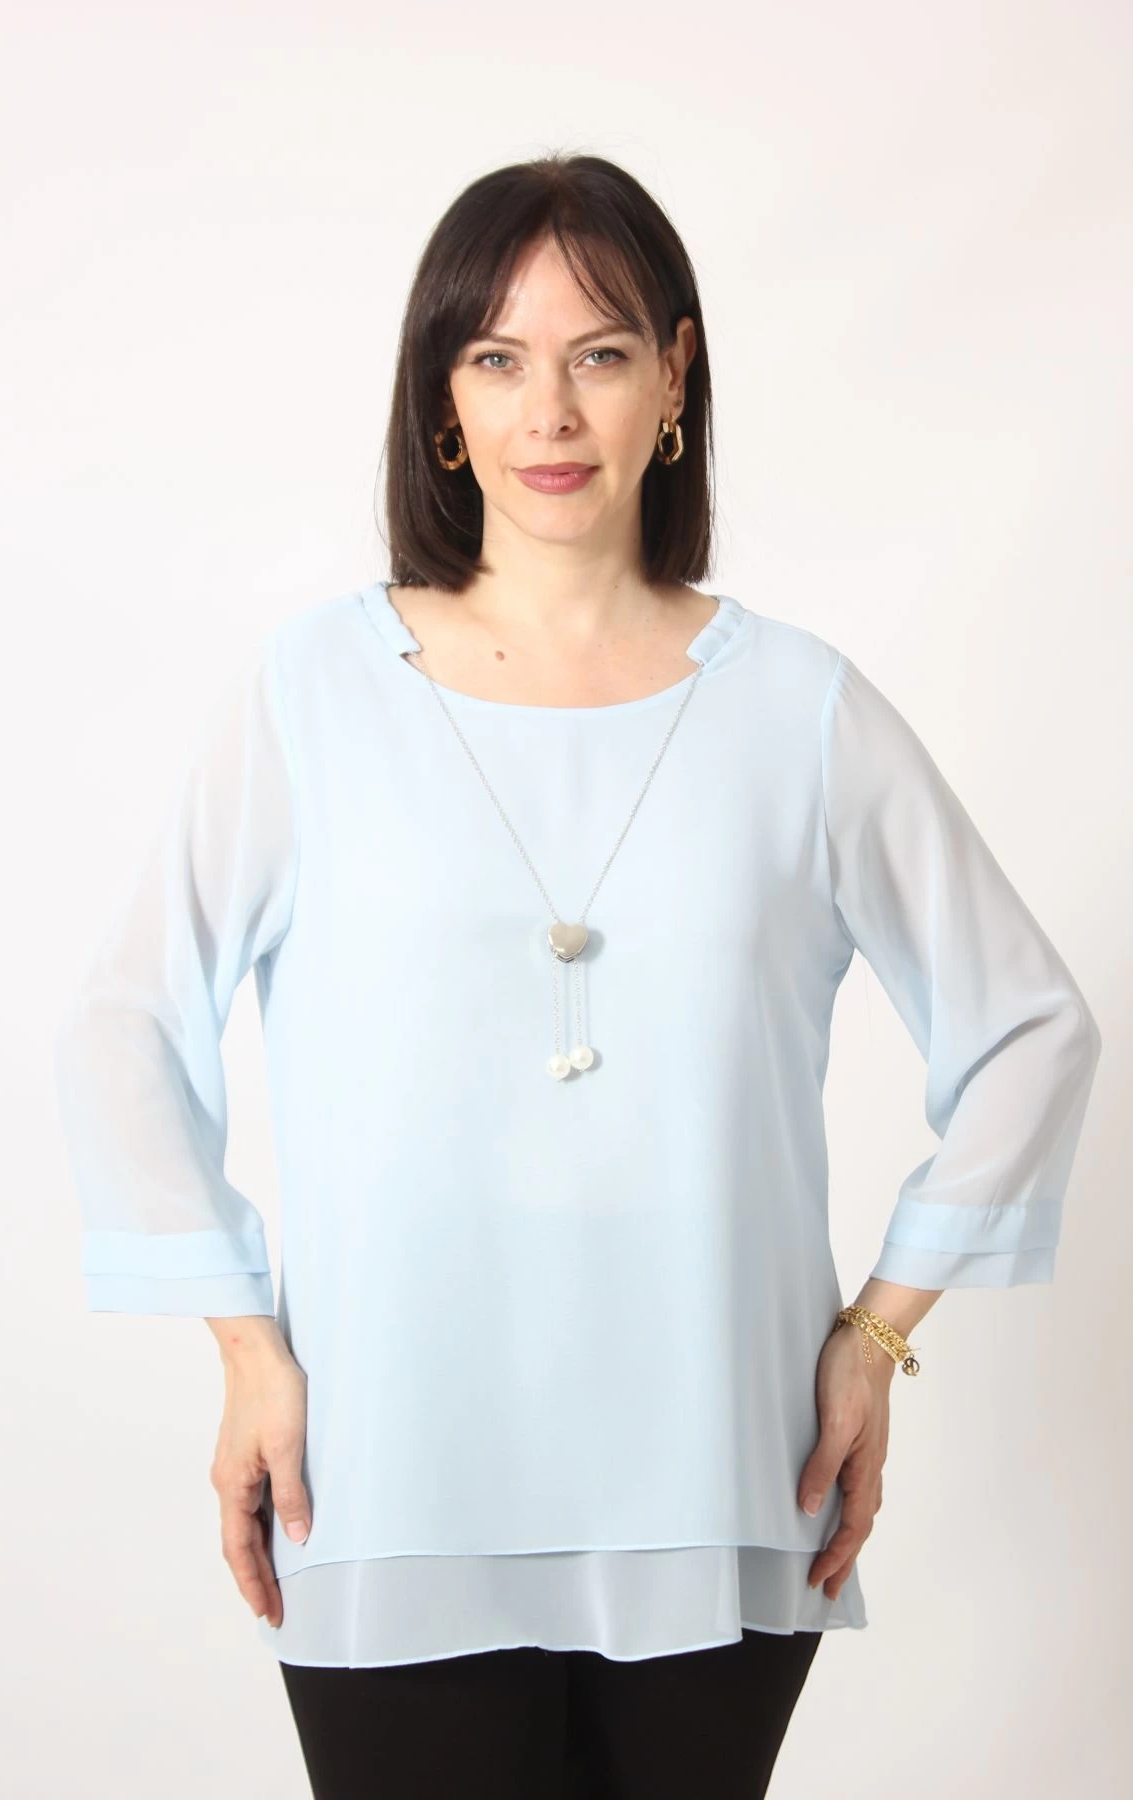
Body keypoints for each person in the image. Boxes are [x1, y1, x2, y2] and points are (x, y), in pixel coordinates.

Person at [53, 152, 1103, 1800]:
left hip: (721, 1467)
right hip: (387, 1477)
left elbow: (1034, 1028)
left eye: (599, 354)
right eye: (498, 358)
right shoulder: (313, 692)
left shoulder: (801, 710)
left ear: (674, 378)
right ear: (443, 396)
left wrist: (877, 1336)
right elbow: (126, 1023)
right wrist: (247, 1347)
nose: (549, 412)